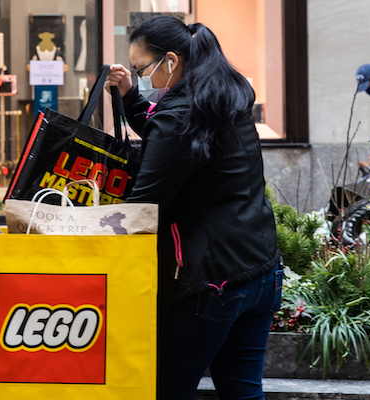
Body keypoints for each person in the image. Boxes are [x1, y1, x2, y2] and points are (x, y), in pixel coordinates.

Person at [105, 15, 282, 400]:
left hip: (209, 280)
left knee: (164, 391)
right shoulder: (222, 97)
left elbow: (142, 207)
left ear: (171, 61)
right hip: (259, 268)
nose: (143, 79)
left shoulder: (179, 117)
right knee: (243, 391)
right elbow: (172, 142)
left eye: (143, 70)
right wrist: (130, 96)